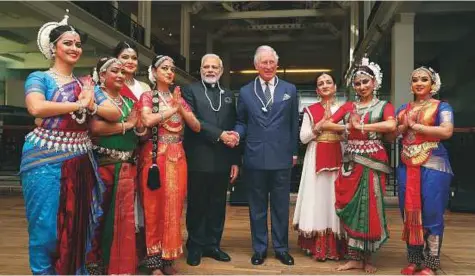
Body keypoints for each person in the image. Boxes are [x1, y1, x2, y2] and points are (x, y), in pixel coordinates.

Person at [20, 11, 121, 275]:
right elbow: (36, 107)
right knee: (46, 229)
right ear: (53, 48)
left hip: (80, 161)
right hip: (44, 160)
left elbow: (114, 112)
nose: (75, 48)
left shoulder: (85, 83)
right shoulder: (39, 78)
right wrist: (78, 104)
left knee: (79, 226)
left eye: (77, 44)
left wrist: (93, 100)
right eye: (68, 43)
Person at [320, 56, 396, 273]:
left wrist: (360, 126)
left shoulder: (384, 106)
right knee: (351, 207)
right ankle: (354, 257)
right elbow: (326, 123)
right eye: (357, 83)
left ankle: (369, 258)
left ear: (374, 83)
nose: (361, 86)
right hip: (352, 162)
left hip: (373, 163)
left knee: (370, 207)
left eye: (365, 82)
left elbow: (392, 124)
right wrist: (346, 129)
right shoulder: (349, 106)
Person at [234, 45, 299, 266]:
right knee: (257, 206)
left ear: (277, 65)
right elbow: (242, 121)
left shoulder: (290, 88)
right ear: (256, 66)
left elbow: (293, 124)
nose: (268, 66)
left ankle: (281, 248)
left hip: (281, 156)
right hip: (254, 155)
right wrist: (236, 133)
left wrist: (294, 152)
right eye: (264, 62)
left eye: (272, 62)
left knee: (281, 206)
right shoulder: (245, 91)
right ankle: (259, 249)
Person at [138, 55, 201, 275]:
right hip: (155, 158)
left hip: (177, 157)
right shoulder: (147, 96)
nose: (169, 72)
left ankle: (168, 258)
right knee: (154, 207)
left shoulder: (179, 98)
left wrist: (180, 108)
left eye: (172, 69)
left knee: (174, 207)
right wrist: (172, 109)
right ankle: (154, 260)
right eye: (164, 68)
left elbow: (195, 126)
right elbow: (147, 121)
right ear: (154, 72)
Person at [86, 57, 144, 274]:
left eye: (122, 72)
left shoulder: (129, 102)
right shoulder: (96, 99)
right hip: (102, 167)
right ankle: (93, 261)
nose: (120, 75)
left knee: (124, 220)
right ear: (102, 75)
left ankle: (120, 267)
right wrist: (127, 124)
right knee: (98, 215)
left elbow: (140, 132)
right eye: (114, 71)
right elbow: (96, 129)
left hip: (127, 168)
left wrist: (139, 128)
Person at [393, 67, 454, 276]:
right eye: (415, 80)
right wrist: (400, 128)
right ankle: (414, 260)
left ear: (432, 84)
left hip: (434, 165)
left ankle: (431, 264)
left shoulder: (442, 107)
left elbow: (446, 131)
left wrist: (416, 127)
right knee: (409, 212)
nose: (419, 83)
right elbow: (391, 135)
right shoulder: (403, 108)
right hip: (406, 165)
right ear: (411, 85)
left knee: (432, 213)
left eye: (424, 79)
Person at [182, 54, 240, 266]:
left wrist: (235, 160)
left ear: (221, 71)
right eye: (206, 67)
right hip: (198, 156)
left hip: (223, 158)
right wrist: (219, 134)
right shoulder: (190, 91)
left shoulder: (228, 94)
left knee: (217, 204)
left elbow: (233, 125)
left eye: (214, 67)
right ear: (200, 69)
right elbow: (194, 121)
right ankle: (195, 246)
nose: (210, 70)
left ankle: (213, 244)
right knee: (198, 203)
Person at [292, 73, 347, 261]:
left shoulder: (344, 109)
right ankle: (317, 244)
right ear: (317, 90)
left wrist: (341, 132)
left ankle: (337, 245)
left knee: (335, 198)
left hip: (338, 156)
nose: (324, 85)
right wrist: (318, 127)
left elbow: (349, 135)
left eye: (328, 82)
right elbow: (303, 137)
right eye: (320, 83)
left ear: (334, 87)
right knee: (317, 198)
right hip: (315, 156)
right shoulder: (310, 110)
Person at [113, 40, 151, 265]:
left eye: (134, 58)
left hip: (140, 148)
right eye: (125, 57)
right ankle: (117, 257)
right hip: (114, 148)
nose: (129, 61)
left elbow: (147, 119)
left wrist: (142, 128)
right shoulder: (107, 82)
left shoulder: (144, 88)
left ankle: (139, 254)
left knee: (139, 202)